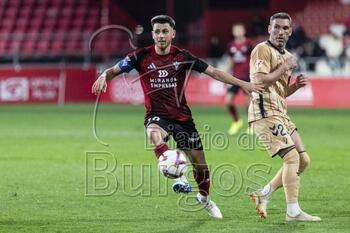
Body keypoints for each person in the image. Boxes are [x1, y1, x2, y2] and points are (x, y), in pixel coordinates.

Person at [92, 15, 263, 219]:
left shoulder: (182, 56)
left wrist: (243, 84)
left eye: (165, 31)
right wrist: (103, 76)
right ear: (153, 34)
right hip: (157, 116)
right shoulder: (140, 56)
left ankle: (205, 198)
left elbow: (214, 72)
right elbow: (113, 70)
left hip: (182, 119)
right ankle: (178, 176)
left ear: (172, 34)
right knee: (153, 133)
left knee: (201, 167)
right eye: (157, 32)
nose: (161, 36)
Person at [248, 12, 321, 222]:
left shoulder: (286, 55)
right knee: (291, 158)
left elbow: (279, 91)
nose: (280, 32)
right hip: (265, 112)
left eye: (285, 28)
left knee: (303, 160)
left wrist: (295, 87)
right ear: (269, 29)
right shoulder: (262, 50)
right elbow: (261, 82)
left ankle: (264, 193)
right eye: (277, 27)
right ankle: (293, 212)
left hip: (280, 112)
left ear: (290, 32)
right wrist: (284, 67)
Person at [226, 23, 254, 135]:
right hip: (234, 78)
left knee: (248, 103)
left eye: (239, 29)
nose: (237, 31)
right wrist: (225, 75)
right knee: (228, 101)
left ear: (243, 31)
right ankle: (236, 121)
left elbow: (254, 58)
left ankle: (251, 125)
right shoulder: (230, 45)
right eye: (235, 30)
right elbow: (231, 61)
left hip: (247, 77)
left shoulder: (249, 43)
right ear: (233, 32)